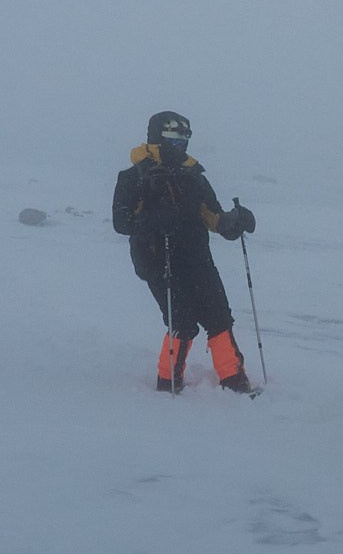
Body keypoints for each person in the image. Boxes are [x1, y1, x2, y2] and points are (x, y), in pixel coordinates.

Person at [110, 111, 257, 394]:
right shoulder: (133, 176)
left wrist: (235, 221)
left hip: (197, 257)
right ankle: (168, 382)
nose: (181, 148)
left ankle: (234, 380)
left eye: (184, 141)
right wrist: (153, 221)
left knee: (219, 317)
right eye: (175, 141)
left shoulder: (193, 175)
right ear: (158, 138)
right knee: (183, 322)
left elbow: (213, 217)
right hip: (158, 259)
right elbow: (121, 222)